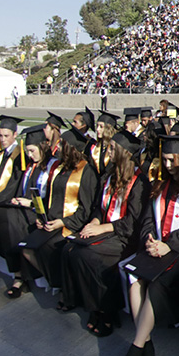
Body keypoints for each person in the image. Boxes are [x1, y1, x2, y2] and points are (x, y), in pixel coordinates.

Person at [116, 134, 179, 356]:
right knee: (135, 277)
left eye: (171, 160)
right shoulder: (160, 183)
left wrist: (168, 245)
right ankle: (145, 344)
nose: (167, 165)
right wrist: (148, 238)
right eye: (164, 159)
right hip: (155, 246)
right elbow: (148, 217)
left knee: (156, 284)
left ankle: (137, 348)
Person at [62, 130, 149, 337]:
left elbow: (133, 222)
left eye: (112, 148)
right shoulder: (110, 176)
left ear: (124, 153)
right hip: (104, 231)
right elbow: (97, 207)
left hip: (124, 237)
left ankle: (107, 311)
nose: (108, 151)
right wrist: (94, 221)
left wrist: (103, 228)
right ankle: (92, 306)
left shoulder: (140, 182)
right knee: (70, 250)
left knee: (89, 257)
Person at [21, 126, 99, 296]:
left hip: (70, 224)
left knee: (49, 247)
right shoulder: (60, 168)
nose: (59, 148)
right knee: (27, 248)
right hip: (51, 221)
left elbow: (86, 209)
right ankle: (56, 282)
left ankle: (65, 289)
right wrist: (41, 217)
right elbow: (49, 197)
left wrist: (62, 222)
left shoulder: (87, 172)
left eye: (63, 145)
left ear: (72, 149)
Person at [0, 124, 57, 297]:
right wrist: (18, 199)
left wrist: (30, 203)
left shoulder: (53, 167)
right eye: (27, 151)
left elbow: (55, 199)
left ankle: (20, 278)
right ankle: (16, 273)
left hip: (42, 213)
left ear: (43, 146)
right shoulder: (30, 166)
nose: (29, 155)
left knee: (8, 220)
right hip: (24, 209)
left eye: (32, 151)